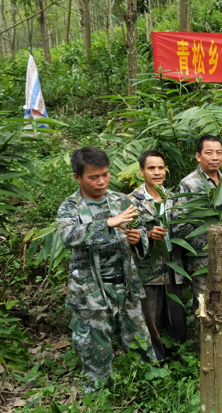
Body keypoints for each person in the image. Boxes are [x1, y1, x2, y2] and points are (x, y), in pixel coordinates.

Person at [57, 146, 156, 391]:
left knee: (141, 341)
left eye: (105, 174)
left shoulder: (121, 200)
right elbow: (69, 236)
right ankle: (98, 400)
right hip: (91, 292)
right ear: (77, 177)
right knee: (95, 348)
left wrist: (138, 238)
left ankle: (154, 390)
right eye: (93, 177)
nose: (101, 181)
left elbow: (140, 230)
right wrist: (108, 224)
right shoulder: (70, 207)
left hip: (126, 286)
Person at [171, 135, 222, 356]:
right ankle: (206, 356)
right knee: (205, 309)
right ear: (198, 155)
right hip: (203, 262)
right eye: (209, 152)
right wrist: (211, 241)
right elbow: (180, 226)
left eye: (219, 152)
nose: (215, 157)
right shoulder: (189, 184)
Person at [128, 150, 187, 361]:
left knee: (176, 317)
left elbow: (182, 227)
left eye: (161, 168)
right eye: (151, 168)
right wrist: (149, 236)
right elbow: (129, 234)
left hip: (173, 267)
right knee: (150, 318)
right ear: (142, 171)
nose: (157, 172)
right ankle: (155, 362)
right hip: (149, 271)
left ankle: (177, 359)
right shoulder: (132, 201)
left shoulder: (172, 198)